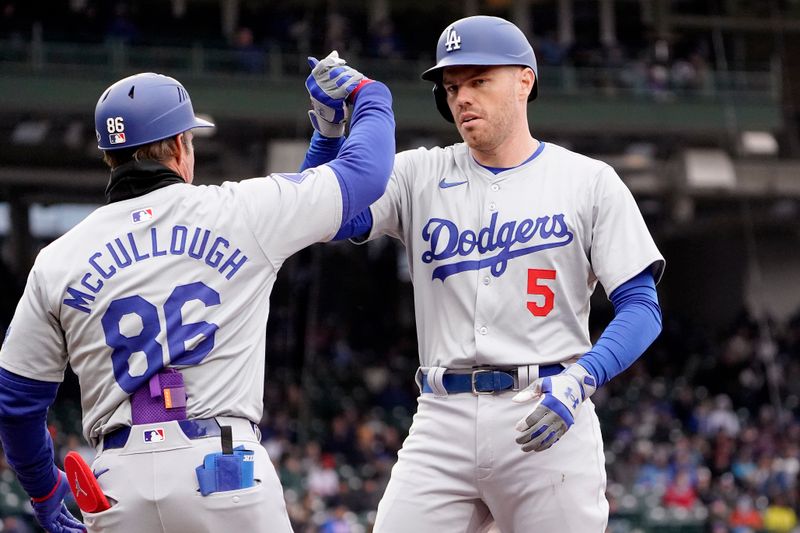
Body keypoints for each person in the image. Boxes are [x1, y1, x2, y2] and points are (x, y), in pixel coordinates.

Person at [0, 54, 394, 533]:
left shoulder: (58, 258)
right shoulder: (240, 212)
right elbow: (365, 175)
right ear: (180, 146)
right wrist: (371, 96)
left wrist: (44, 492)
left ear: (110, 156)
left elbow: (16, 403)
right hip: (223, 467)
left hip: (117, 485)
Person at [301, 15, 664, 532]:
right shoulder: (419, 173)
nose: (461, 98)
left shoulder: (587, 181)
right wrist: (328, 132)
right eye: (452, 87)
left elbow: (642, 308)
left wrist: (583, 378)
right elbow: (323, 213)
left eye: (478, 81)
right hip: (441, 416)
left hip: (546, 407)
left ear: (524, 81)